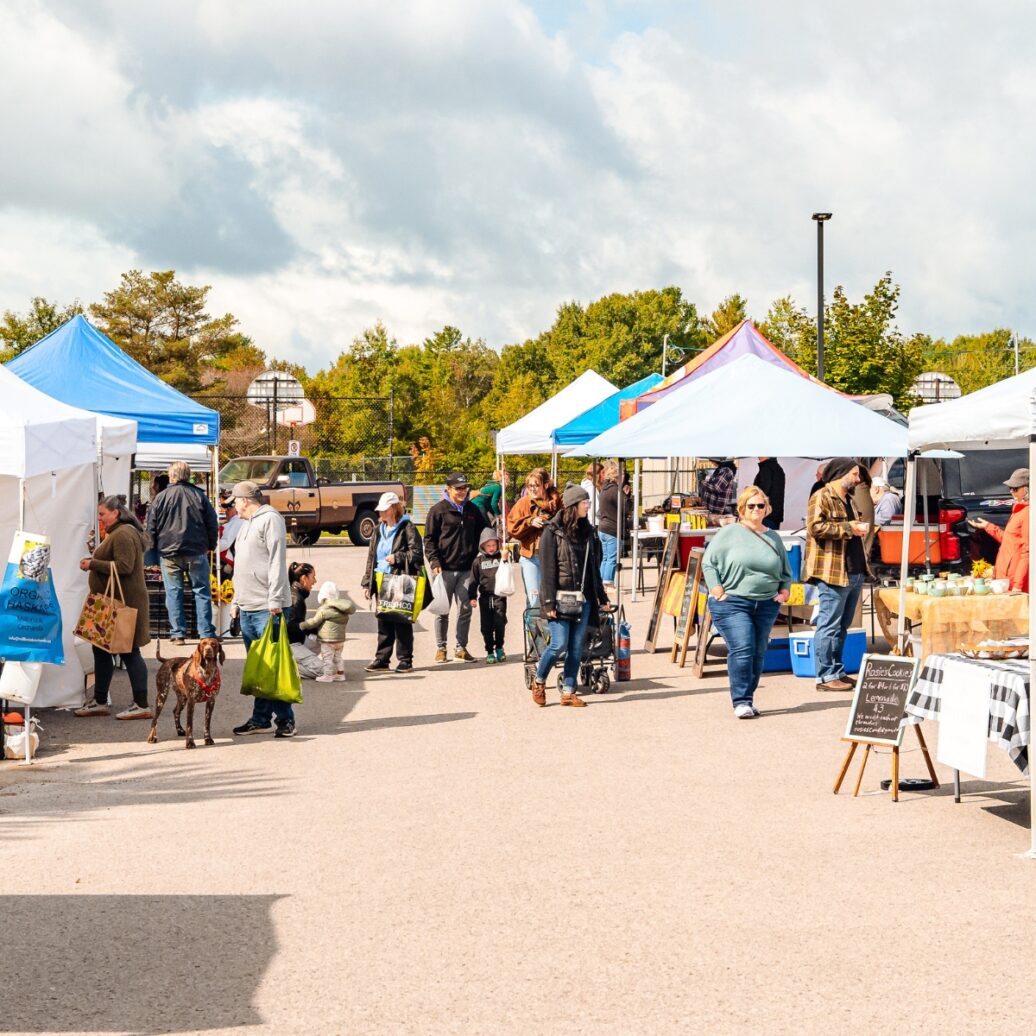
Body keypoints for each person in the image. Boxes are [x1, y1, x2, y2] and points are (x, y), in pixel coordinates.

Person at [702, 488, 792, 719]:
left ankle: (748, 698)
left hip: (766, 603)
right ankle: (740, 701)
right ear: (742, 509)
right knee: (743, 647)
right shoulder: (729, 532)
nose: (756, 510)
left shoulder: (773, 537)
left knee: (758, 651)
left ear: (767, 508)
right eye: (751, 506)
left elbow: (785, 571)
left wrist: (784, 591)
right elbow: (708, 562)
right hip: (733, 602)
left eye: (760, 506)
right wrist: (716, 589)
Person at [530, 483, 611, 708]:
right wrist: (548, 603)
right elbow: (547, 570)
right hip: (558, 598)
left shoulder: (589, 532)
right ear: (574, 505)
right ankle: (539, 679)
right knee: (558, 645)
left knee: (576, 647)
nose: (588, 505)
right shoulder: (552, 531)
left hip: (583, 598)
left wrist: (602, 598)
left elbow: (594, 568)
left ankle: (568, 691)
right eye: (585, 502)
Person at [74, 497, 153, 720]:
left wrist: (93, 564)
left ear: (115, 513)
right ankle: (100, 701)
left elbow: (124, 567)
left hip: (122, 604)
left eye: (102, 514)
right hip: (114, 603)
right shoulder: (121, 532)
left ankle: (141, 704)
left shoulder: (123, 534)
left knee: (129, 651)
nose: (99, 519)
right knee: (101, 650)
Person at [229, 480, 296, 738]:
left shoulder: (270, 520)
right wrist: (235, 600)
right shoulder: (246, 524)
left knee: (273, 667)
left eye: (235, 501)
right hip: (247, 606)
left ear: (245, 500)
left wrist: (276, 600)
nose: (234, 506)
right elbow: (240, 567)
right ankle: (260, 718)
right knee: (259, 668)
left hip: (267, 607)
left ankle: (285, 719)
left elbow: (277, 560)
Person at [804, 458, 869, 692]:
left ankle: (837, 670)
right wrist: (849, 528)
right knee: (829, 625)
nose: (858, 479)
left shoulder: (848, 498)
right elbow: (815, 527)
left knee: (842, 625)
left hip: (854, 569)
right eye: (854, 474)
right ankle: (825, 676)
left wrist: (856, 529)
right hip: (832, 571)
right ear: (840, 474)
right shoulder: (821, 496)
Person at [146, 460, 218, 645]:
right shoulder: (199, 496)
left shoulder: (161, 497)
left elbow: (151, 526)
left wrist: (152, 550)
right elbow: (212, 522)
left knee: (173, 593)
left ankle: (178, 633)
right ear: (188, 475)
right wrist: (211, 544)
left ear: (172, 476)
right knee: (201, 592)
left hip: (168, 551)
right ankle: (205, 633)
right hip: (196, 550)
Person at [423, 471, 487, 662]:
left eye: (464, 488)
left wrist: (482, 553)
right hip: (443, 569)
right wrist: (434, 561)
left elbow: (484, 532)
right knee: (442, 609)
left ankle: (461, 647)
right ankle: (441, 647)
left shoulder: (473, 510)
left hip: (467, 569)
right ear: (448, 489)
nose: (462, 492)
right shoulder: (437, 511)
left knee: (465, 609)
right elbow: (429, 539)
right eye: (458, 489)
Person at [361, 491, 424, 673]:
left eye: (384, 510)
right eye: (380, 510)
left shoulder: (407, 527)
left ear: (394, 509)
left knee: (401, 620)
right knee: (384, 620)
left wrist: (397, 557)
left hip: (400, 578)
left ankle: (405, 660)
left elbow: (417, 554)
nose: (380, 513)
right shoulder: (378, 529)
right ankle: (382, 659)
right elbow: (372, 556)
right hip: (382, 578)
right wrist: (368, 583)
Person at [507, 467, 562, 607]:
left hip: (552, 557)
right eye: (530, 485)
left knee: (551, 599)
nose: (532, 489)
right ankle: (533, 629)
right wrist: (529, 521)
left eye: (536, 485)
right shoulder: (523, 502)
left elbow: (566, 524)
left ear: (546, 484)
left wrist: (548, 520)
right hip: (530, 557)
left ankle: (549, 629)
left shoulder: (557, 502)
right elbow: (511, 528)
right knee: (534, 600)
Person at [970, 468, 1029, 591]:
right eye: (1010, 488)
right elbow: (1010, 540)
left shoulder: (1028, 512)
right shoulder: (1019, 510)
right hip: (1006, 577)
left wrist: (1018, 586)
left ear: (1027, 489)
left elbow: (1028, 552)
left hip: (1014, 580)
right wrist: (988, 526)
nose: (1012, 492)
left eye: (1016, 488)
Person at [300, 581, 356, 683]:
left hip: (327, 640)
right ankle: (340, 674)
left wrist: (302, 625)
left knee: (327, 658)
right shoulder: (343, 610)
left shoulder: (323, 609)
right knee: (337, 657)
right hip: (340, 640)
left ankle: (328, 675)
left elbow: (314, 622)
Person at [470, 527, 508, 664]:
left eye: (494, 545)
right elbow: (473, 581)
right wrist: (472, 597)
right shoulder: (478, 562)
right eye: (488, 545)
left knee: (500, 623)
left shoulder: (502, 557)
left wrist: (505, 559)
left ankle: (499, 647)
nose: (491, 548)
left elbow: (507, 572)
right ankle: (489, 651)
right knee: (486, 626)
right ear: (482, 546)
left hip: (499, 597)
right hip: (485, 598)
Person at [286, 561, 323, 681]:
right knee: (325, 670)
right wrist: (312, 626)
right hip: (289, 644)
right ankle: (283, 667)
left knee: (320, 640)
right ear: (303, 579)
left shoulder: (296, 593)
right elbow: (291, 629)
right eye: (313, 577)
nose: (315, 581)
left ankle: (290, 662)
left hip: (293, 641)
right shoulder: (296, 599)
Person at [597, 460, 631, 589]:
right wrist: (626, 495)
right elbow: (626, 508)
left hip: (603, 527)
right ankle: (608, 581)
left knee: (606, 557)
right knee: (612, 557)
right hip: (613, 528)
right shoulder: (615, 491)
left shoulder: (604, 489)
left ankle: (602, 582)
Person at [754, 457, 786, 531]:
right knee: (771, 539)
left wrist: (751, 491)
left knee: (764, 539)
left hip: (766, 515)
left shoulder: (766, 468)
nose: (758, 456)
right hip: (774, 514)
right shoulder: (778, 468)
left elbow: (763, 492)